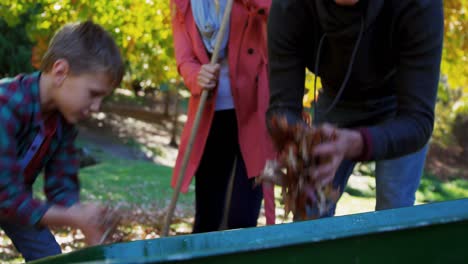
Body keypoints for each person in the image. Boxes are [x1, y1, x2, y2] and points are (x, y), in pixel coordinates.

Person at [266, 0, 443, 217]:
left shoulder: (420, 5)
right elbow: (282, 107)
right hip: (335, 99)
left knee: (394, 210)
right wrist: (297, 141)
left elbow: (418, 121)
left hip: (398, 108)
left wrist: (359, 142)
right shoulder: (289, 6)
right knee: (310, 211)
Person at [0, 20, 125, 261]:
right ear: (60, 72)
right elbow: (5, 194)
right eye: (93, 94)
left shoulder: (63, 122)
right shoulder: (6, 104)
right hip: (9, 198)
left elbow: (62, 187)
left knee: (49, 256)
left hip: (16, 204)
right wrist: (72, 217)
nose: (97, 107)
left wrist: (88, 219)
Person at [171, 0, 276, 233]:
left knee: (243, 216)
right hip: (210, 114)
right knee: (208, 214)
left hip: (254, 112)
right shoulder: (182, 4)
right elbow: (184, 59)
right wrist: (197, 75)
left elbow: (274, 15)